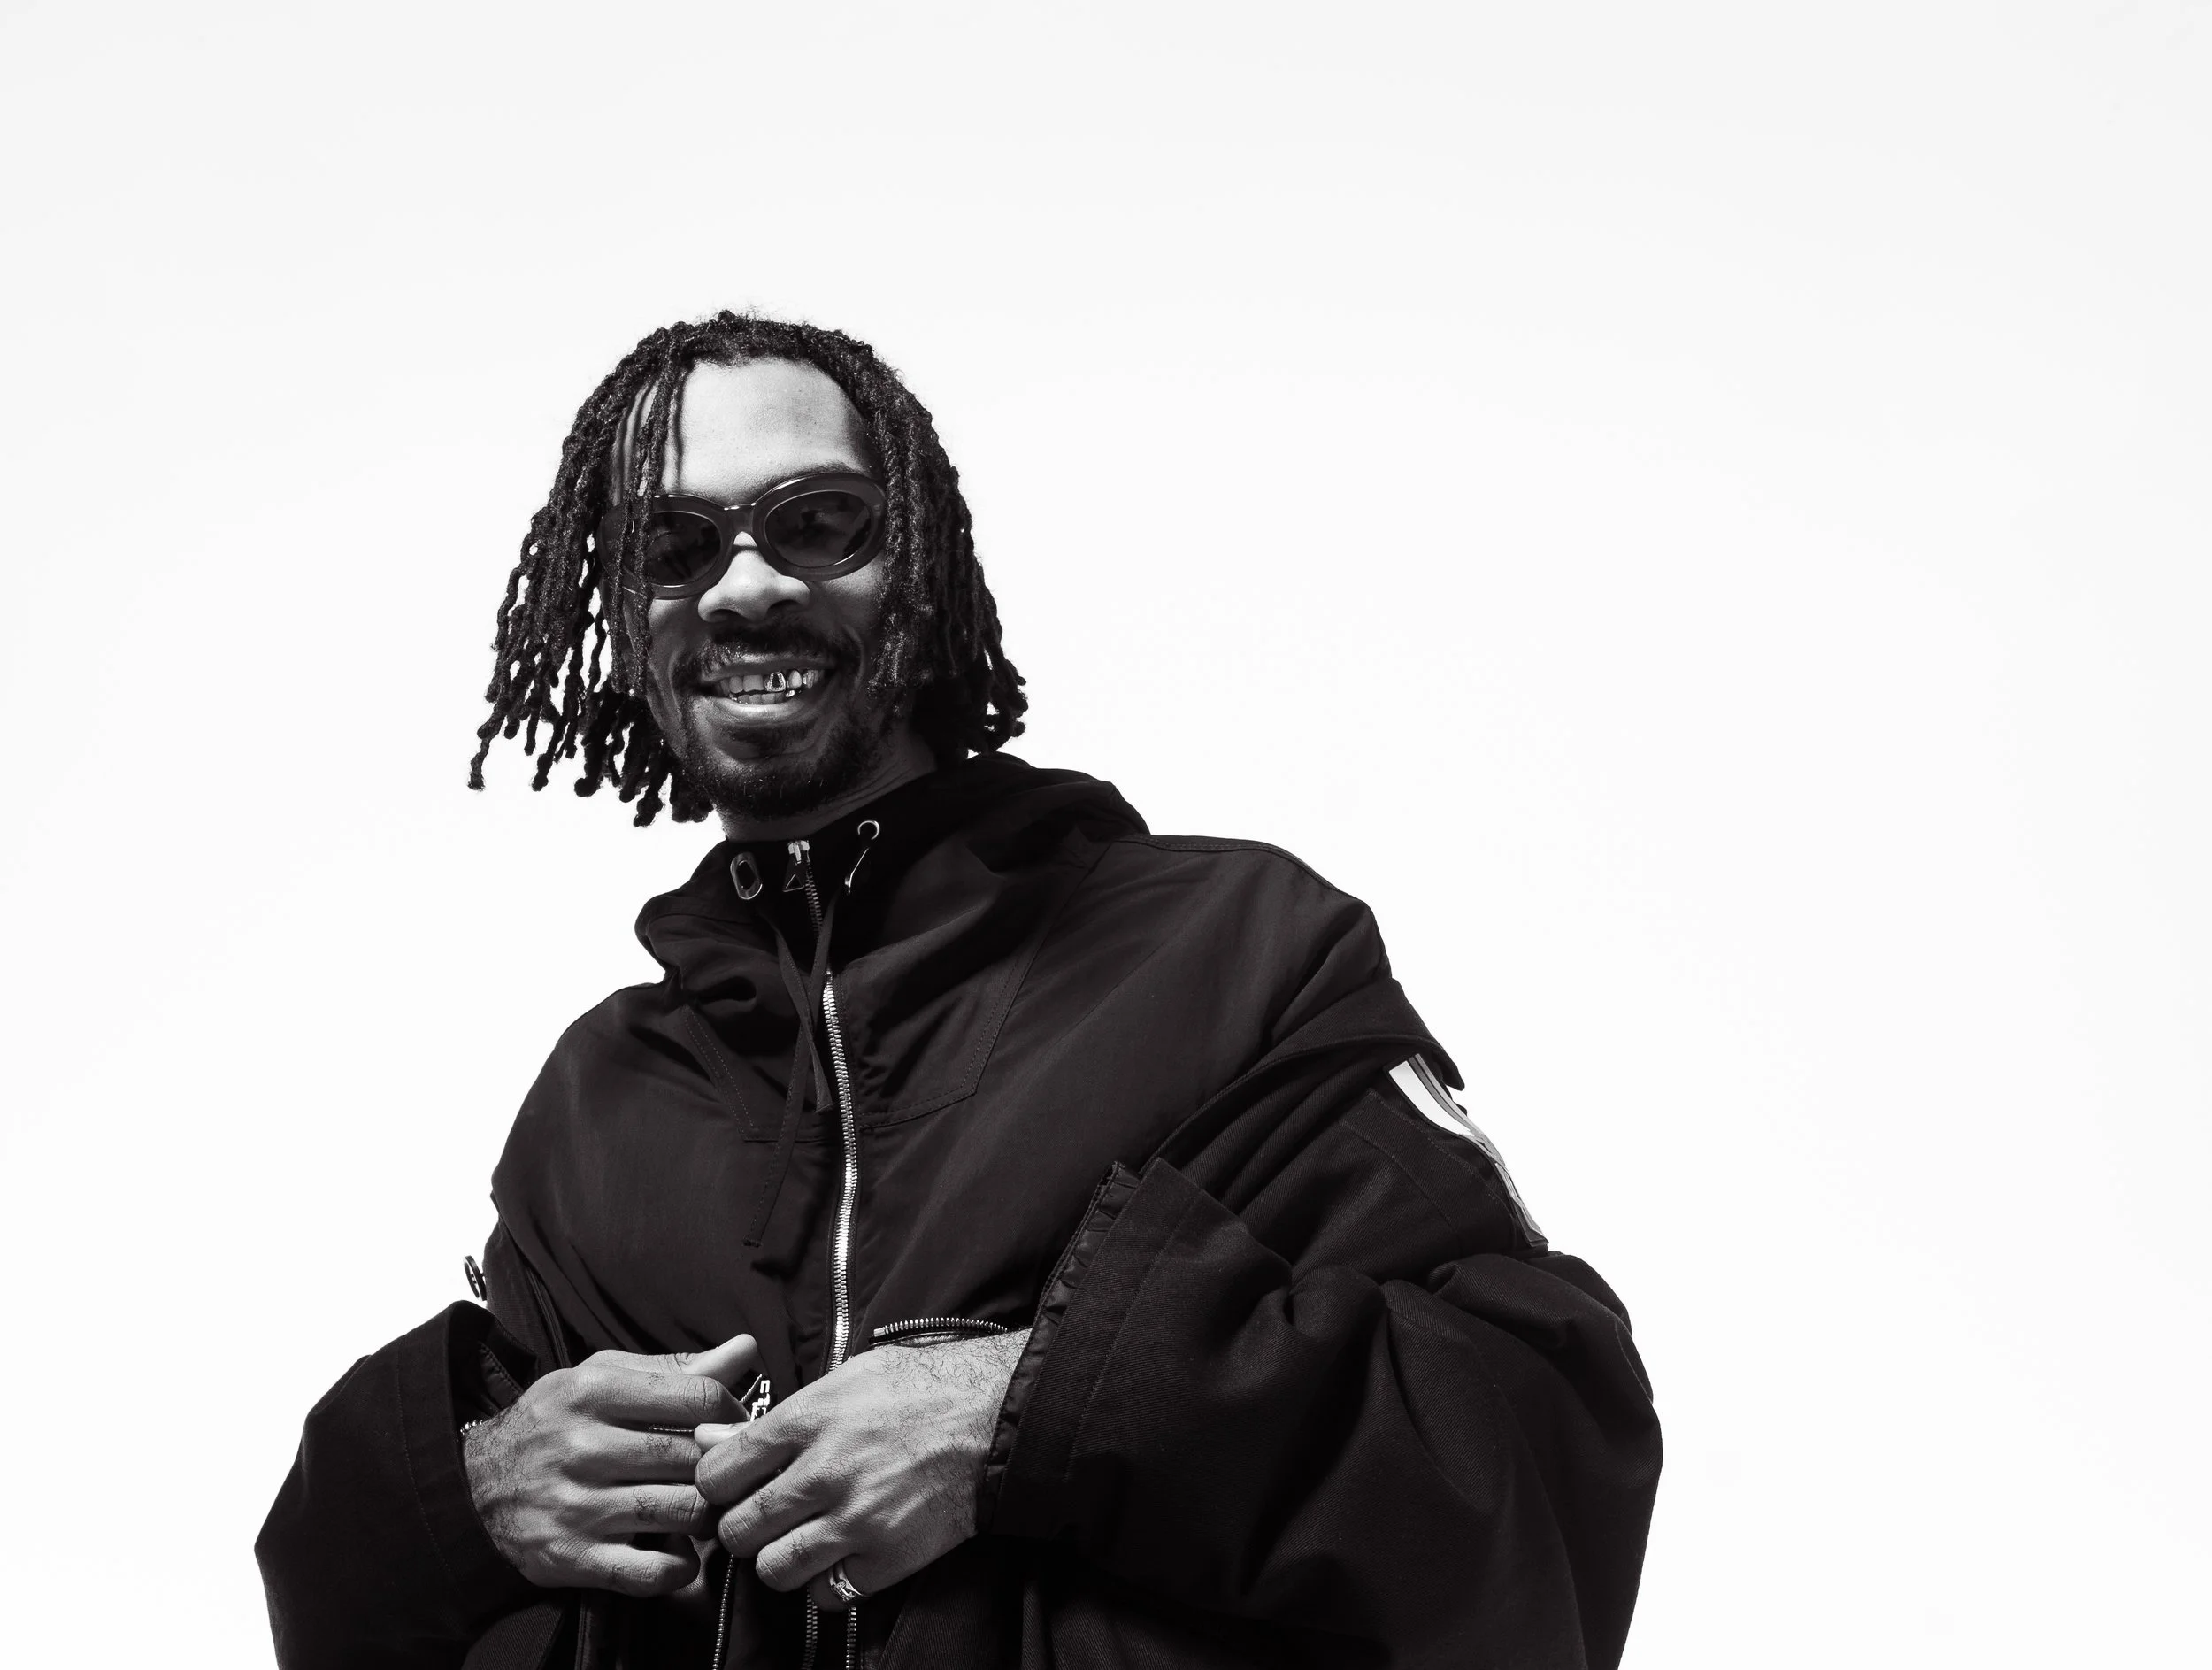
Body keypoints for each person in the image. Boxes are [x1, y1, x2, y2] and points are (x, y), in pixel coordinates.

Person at [256, 313, 1662, 1670]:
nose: (746, 587)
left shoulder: (1237, 953)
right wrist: (474, 1482)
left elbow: (1544, 1453)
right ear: (624, 618)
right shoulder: (599, 1099)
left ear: (918, 570)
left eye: (818, 522)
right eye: (673, 544)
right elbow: (359, 1598)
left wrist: (1029, 1412)